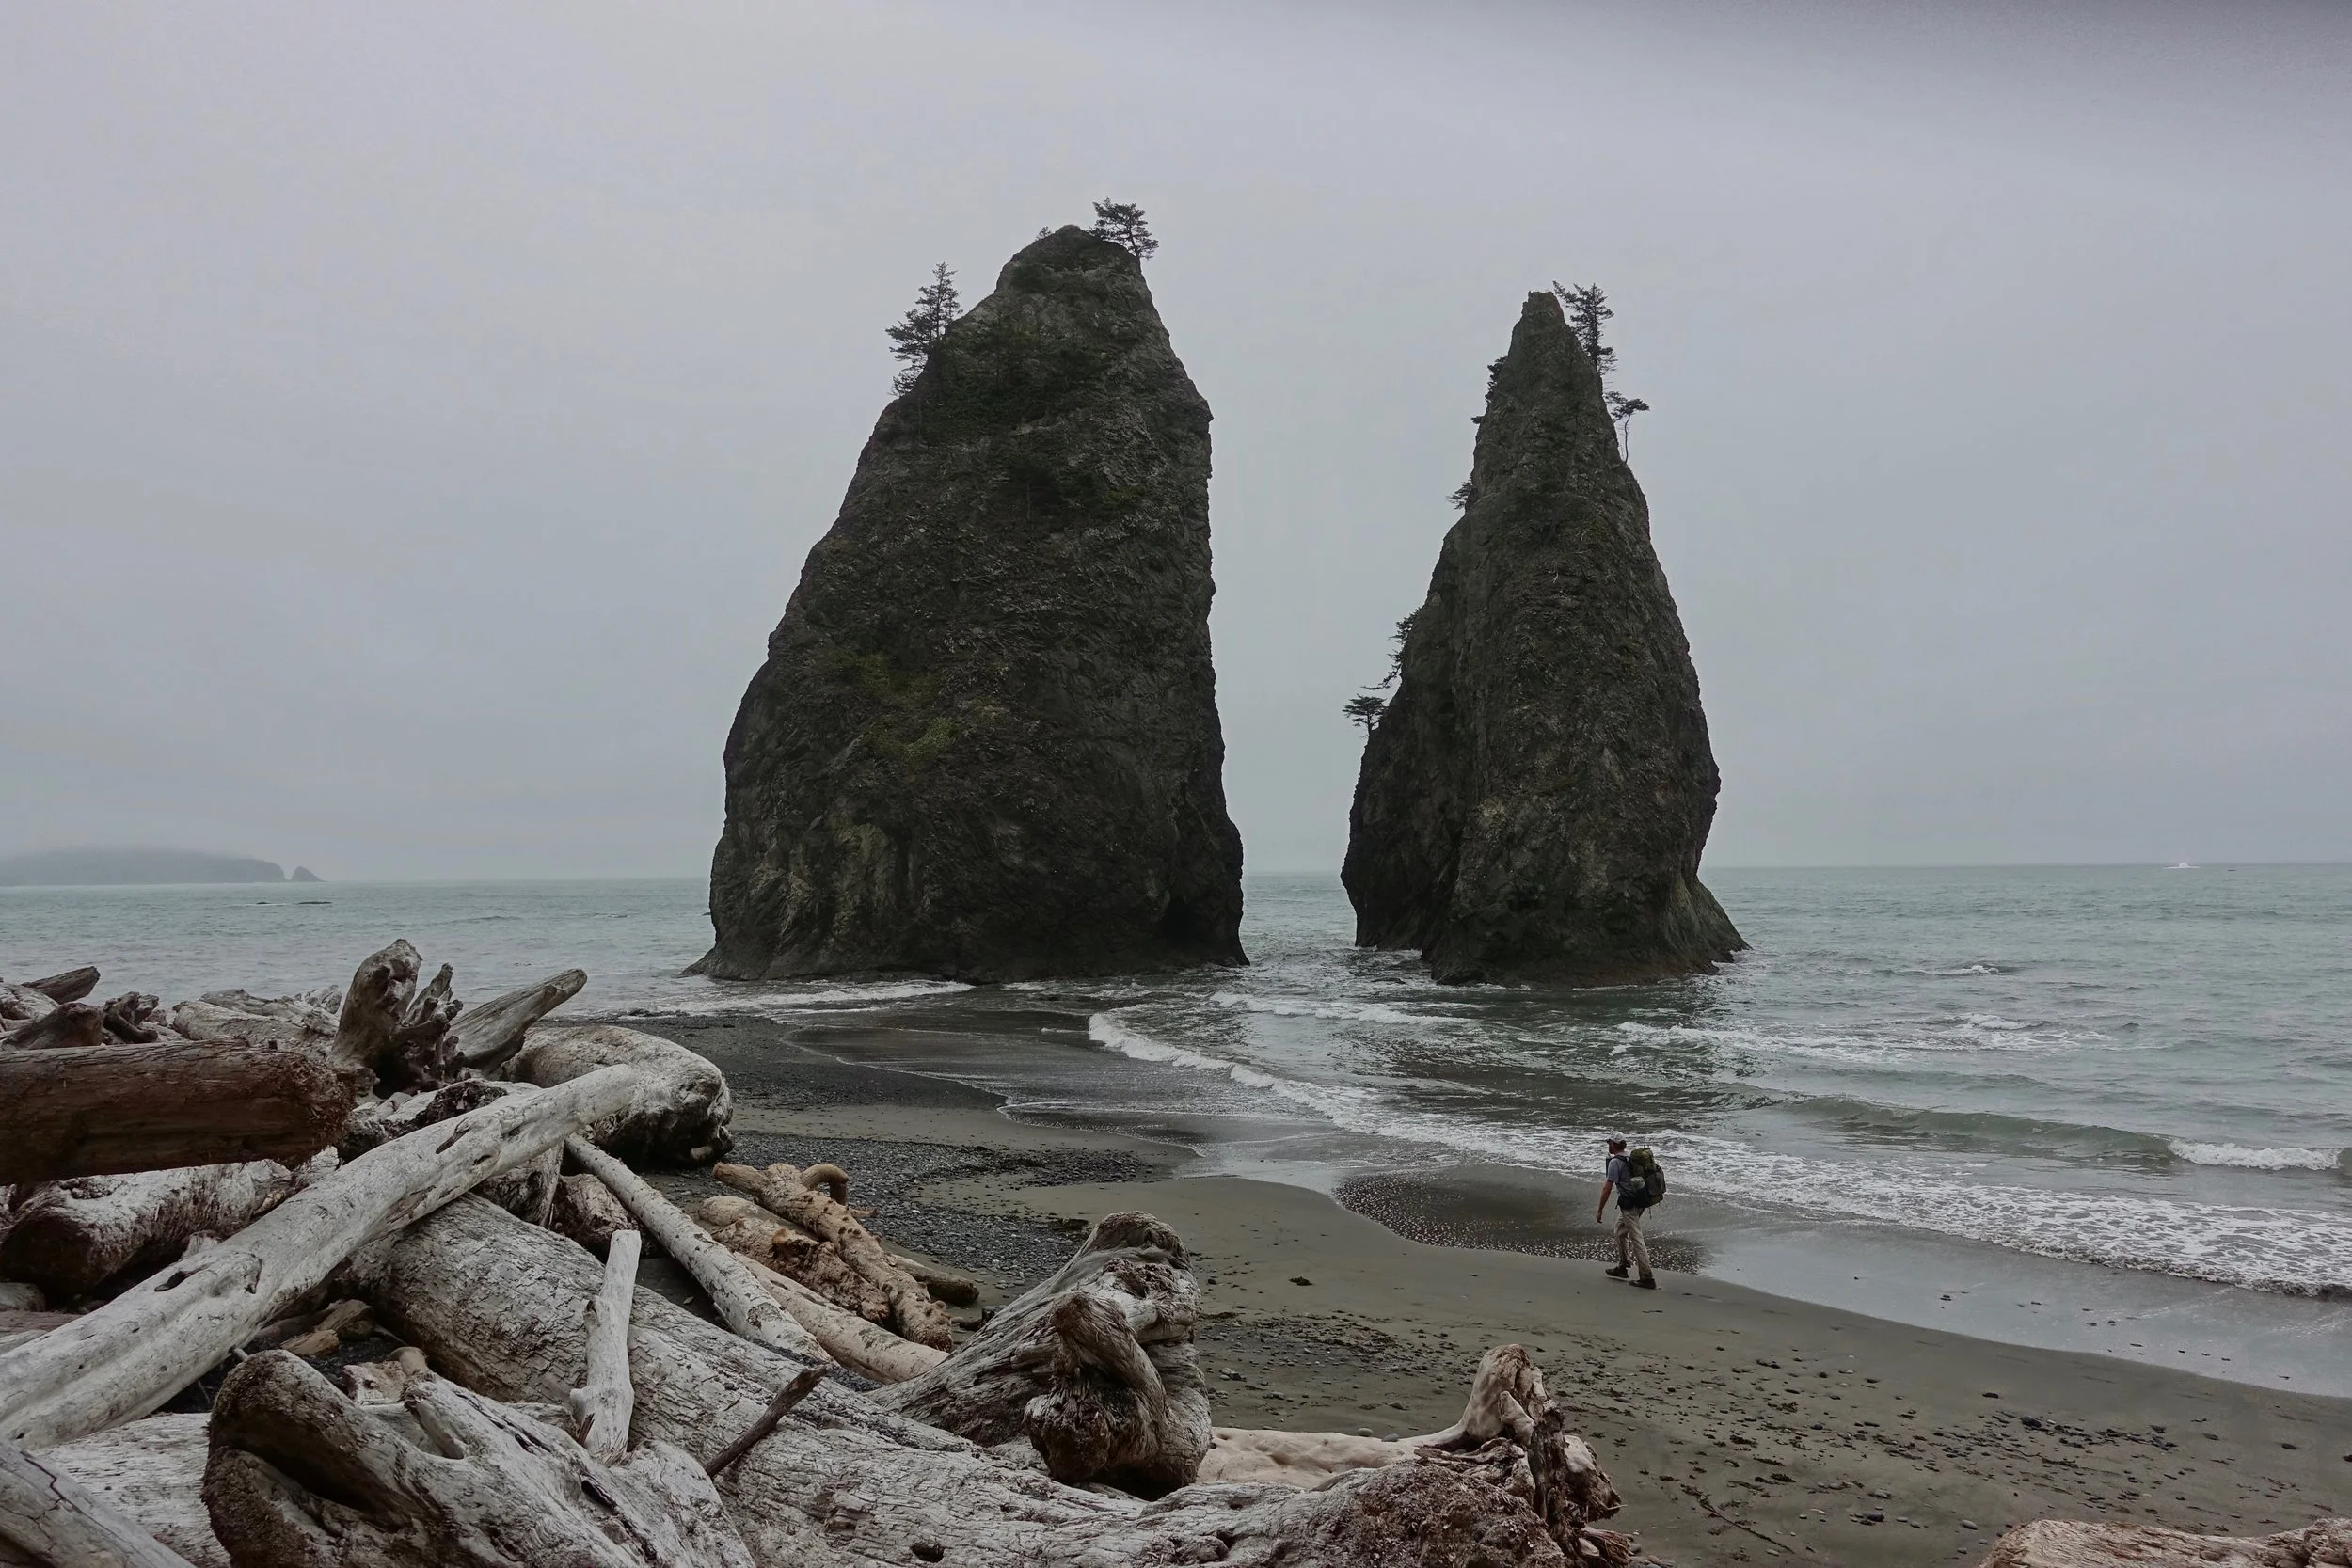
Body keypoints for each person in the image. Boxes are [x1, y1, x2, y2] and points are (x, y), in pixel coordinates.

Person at [1596, 1136, 1658, 1288]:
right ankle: (1623, 1267)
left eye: (1609, 1142)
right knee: (1619, 1231)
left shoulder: (1615, 1162)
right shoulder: (1631, 1156)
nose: (1608, 1145)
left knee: (1636, 1238)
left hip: (1629, 1205)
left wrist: (1600, 1210)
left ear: (1614, 1145)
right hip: (1640, 1201)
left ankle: (1647, 1277)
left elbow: (1607, 1188)